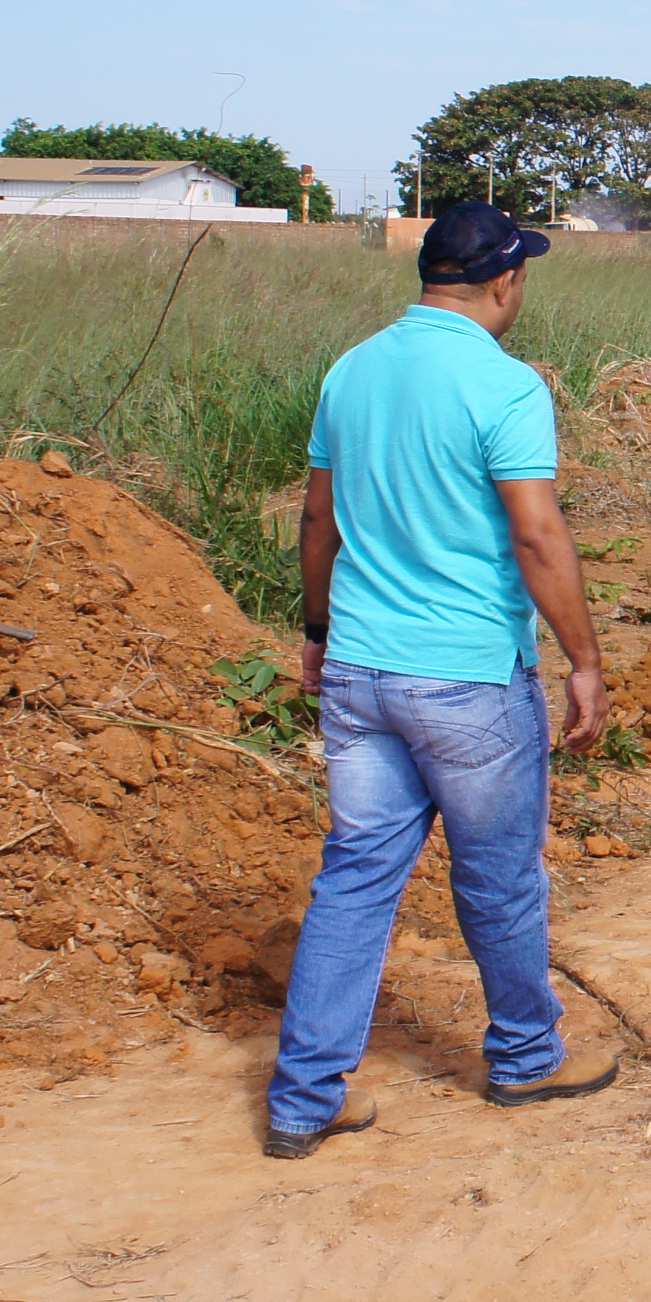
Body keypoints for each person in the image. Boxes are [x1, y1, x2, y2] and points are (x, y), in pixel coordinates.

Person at [268, 202, 618, 1160]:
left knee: (355, 876)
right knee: (500, 879)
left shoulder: (352, 369)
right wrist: (584, 660)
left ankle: (305, 1097)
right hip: (465, 678)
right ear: (505, 280)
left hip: (360, 673)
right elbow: (537, 534)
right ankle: (525, 1054)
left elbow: (316, 523)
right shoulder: (504, 388)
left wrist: (315, 633)